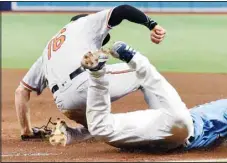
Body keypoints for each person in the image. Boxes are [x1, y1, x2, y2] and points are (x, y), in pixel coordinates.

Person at [50, 41, 227, 152]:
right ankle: (133, 57)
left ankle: (98, 73)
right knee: (164, 95)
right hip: (181, 126)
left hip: (165, 133)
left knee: (102, 126)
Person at [14, 4, 166, 145]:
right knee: (143, 71)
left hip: (65, 103)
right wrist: (152, 25)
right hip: (83, 84)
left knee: (100, 127)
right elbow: (123, 9)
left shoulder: (48, 51)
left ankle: (69, 134)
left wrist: (26, 131)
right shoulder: (86, 22)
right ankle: (165, 128)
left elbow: (21, 91)